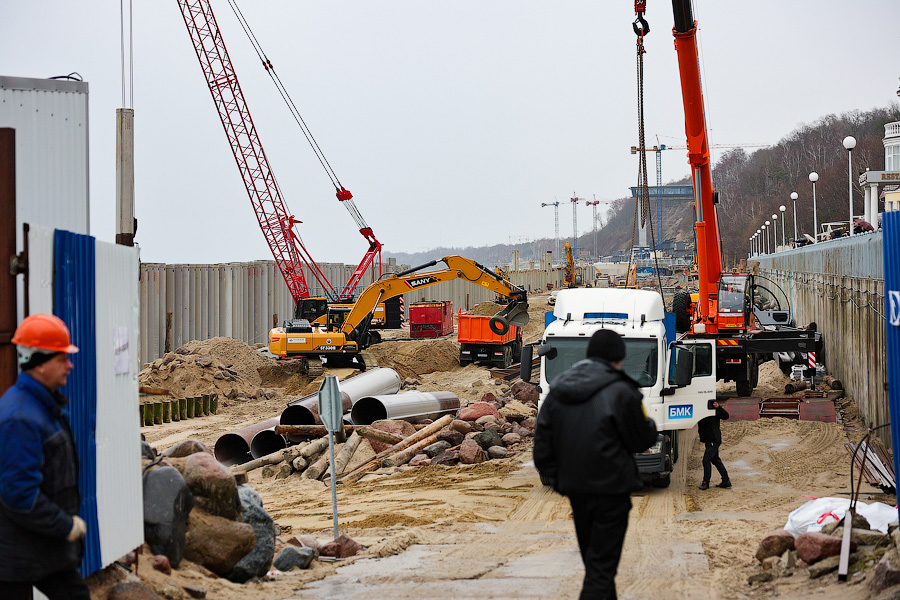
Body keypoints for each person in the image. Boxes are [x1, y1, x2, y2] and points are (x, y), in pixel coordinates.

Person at [533, 328, 658, 600]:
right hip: (612, 490)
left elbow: (541, 447)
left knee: (595, 564)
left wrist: (560, 480)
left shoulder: (558, 389)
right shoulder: (624, 390)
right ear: (618, 358)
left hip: (576, 490)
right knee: (600, 570)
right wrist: (649, 425)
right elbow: (641, 440)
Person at [0, 314, 89, 600]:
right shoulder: (21, 418)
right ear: (39, 363)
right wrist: (65, 525)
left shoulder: (40, 404)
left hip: (42, 549)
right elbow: (18, 494)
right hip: (17, 557)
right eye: (62, 358)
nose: (69, 365)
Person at [698, 400, 730, 490]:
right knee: (715, 460)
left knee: (706, 460)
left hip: (713, 439)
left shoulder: (713, 410)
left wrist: (718, 407)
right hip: (709, 439)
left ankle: (706, 482)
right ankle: (726, 480)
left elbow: (726, 416)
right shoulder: (700, 410)